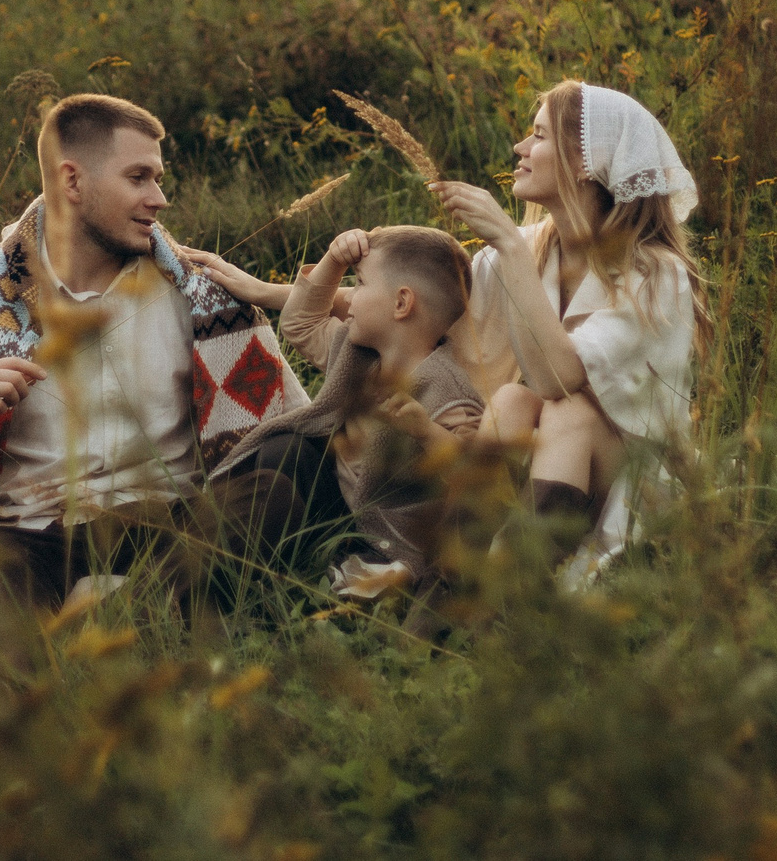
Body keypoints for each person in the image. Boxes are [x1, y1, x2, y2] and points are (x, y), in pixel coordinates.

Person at [0, 93, 309, 607]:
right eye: (138, 178)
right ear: (72, 181)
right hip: (33, 537)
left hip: (173, 529)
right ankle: (136, 614)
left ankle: (125, 613)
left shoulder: (201, 295)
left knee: (277, 485)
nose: (159, 198)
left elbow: (291, 426)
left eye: (158, 179)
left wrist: (319, 312)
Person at [429, 80, 698, 584]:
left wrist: (507, 243)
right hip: (554, 474)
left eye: (538, 136)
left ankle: (517, 588)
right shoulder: (531, 246)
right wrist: (316, 283)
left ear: (585, 163)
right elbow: (425, 307)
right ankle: (448, 582)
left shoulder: (655, 275)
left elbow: (558, 378)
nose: (520, 148)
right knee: (511, 400)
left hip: (633, 488)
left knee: (567, 408)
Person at [181, 224, 483, 595]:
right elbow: (299, 322)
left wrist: (426, 431)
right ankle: (225, 551)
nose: (348, 297)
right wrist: (334, 262)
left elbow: (477, 472)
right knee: (283, 450)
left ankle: (239, 583)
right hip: (335, 505)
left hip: (386, 534)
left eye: (360, 283)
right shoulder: (356, 355)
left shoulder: (448, 390)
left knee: (373, 580)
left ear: (402, 303)